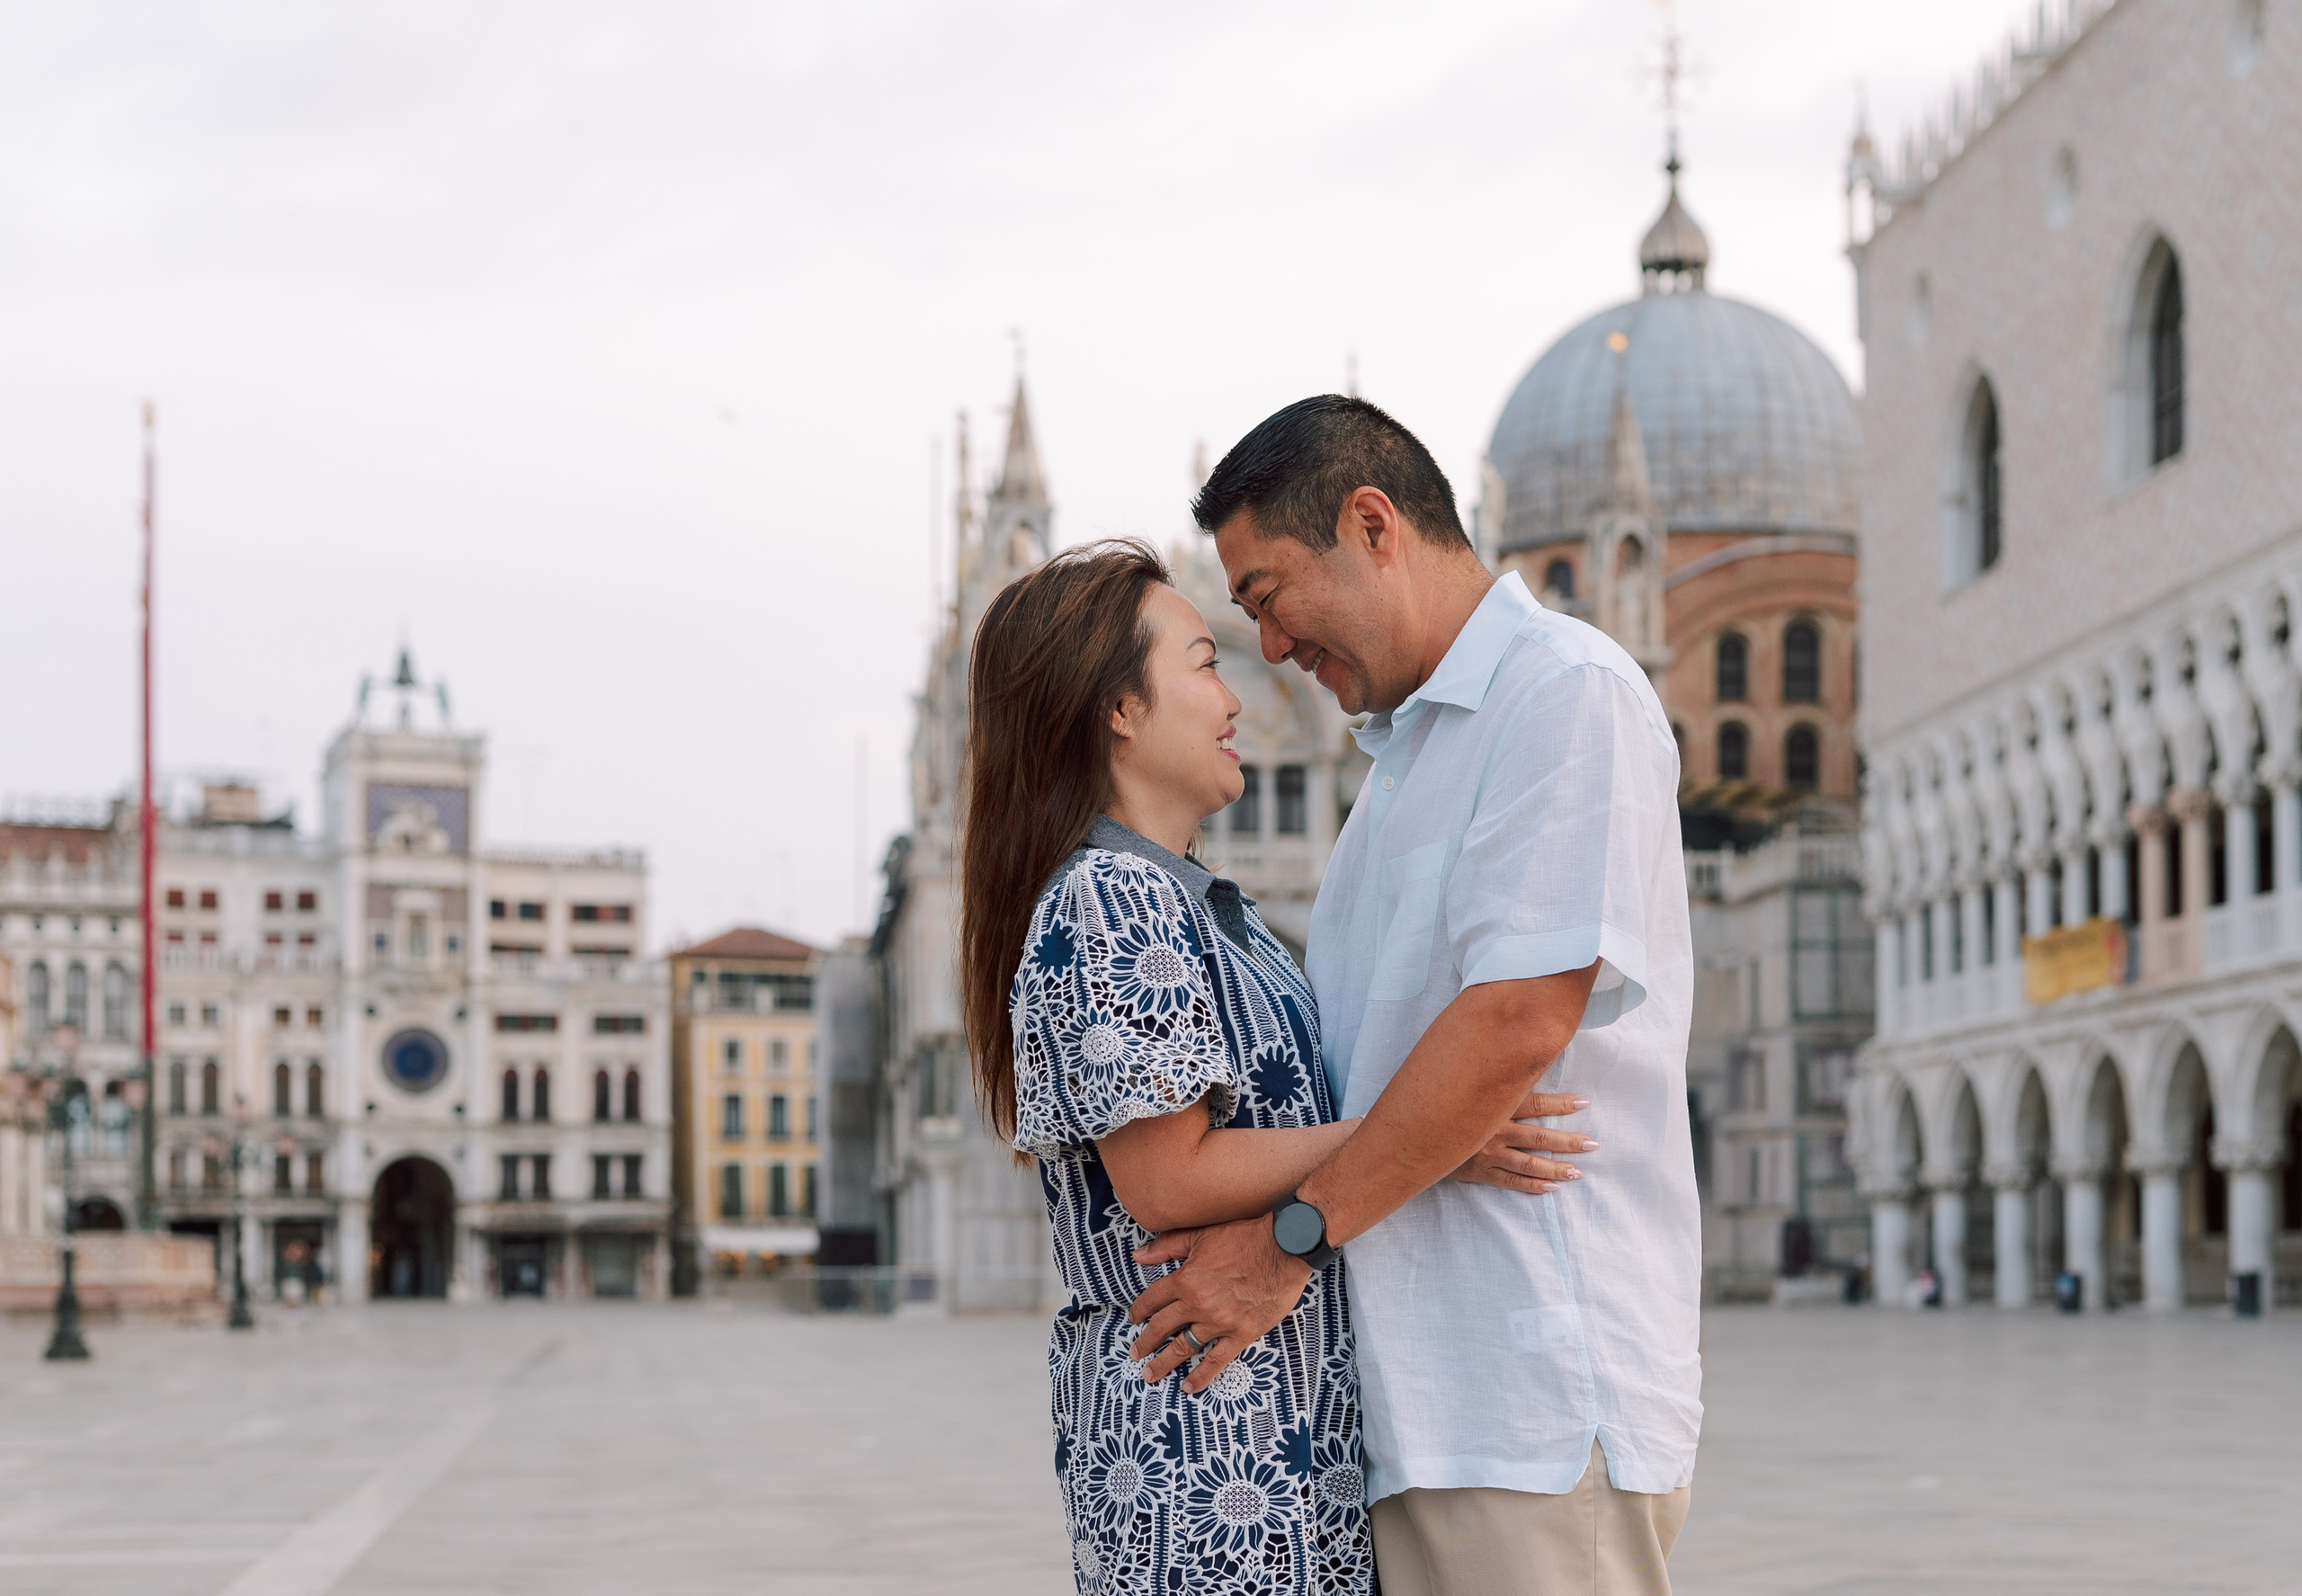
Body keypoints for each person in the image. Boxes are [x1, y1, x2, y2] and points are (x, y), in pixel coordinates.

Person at [1127, 397, 1701, 1596]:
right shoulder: (1410, 754)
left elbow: (1514, 1020)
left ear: (1373, 525)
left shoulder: (1564, 695)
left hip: (1528, 1402)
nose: (1269, 649)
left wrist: (1287, 1243)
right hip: (1419, 1413)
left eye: (1268, 595)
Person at [957, 539, 1594, 1596]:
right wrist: (1432, 1133)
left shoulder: (1198, 900)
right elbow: (1164, 1178)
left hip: (1270, 1439)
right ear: (1118, 707)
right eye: (1205, 663)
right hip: (1208, 1454)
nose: (1235, 693)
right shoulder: (1114, 897)